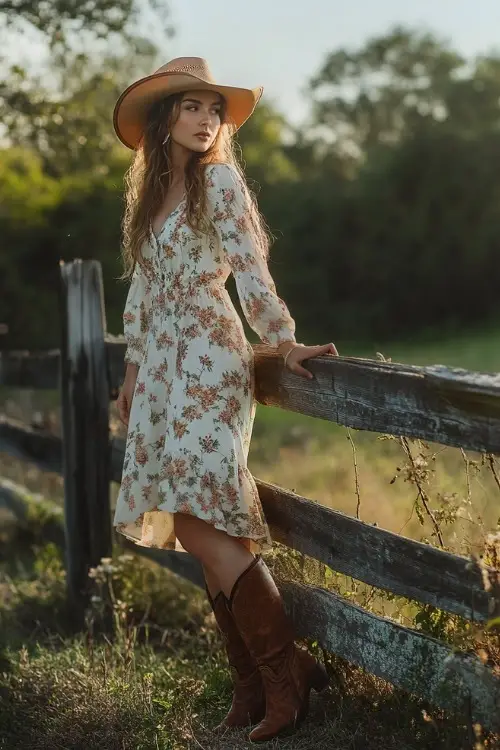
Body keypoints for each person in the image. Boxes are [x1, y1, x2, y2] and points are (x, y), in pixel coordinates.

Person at [112, 57, 338, 742]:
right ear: (165, 119)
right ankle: (250, 690)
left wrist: (284, 340)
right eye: (192, 108)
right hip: (160, 369)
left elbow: (250, 269)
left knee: (198, 520)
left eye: (215, 109)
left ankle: (285, 676)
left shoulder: (220, 182)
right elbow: (144, 289)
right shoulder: (152, 199)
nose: (207, 120)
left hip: (210, 357)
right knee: (201, 523)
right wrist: (130, 366)